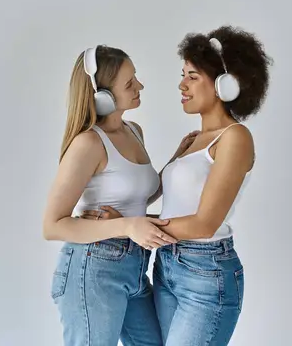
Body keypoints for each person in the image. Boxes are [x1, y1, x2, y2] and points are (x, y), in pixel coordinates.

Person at [82, 26, 272, 345]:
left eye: (193, 76)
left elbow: (204, 223)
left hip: (206, 270)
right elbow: (179, 206)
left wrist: (129, 226)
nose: (181, 84)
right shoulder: (194, 141)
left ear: (224, 84)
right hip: (167, 264)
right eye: (183, 74)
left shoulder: (236, 138)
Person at [42, 44, 190, 346]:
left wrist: (177, 160)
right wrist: (124, 226)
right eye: (129, 83)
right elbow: (52, 225)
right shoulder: (87, 144)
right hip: (93, 270)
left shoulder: (133, 130)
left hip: (134, 267)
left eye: (135, 78)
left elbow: (136, 196)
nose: (140, 86)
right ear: (102, 96)